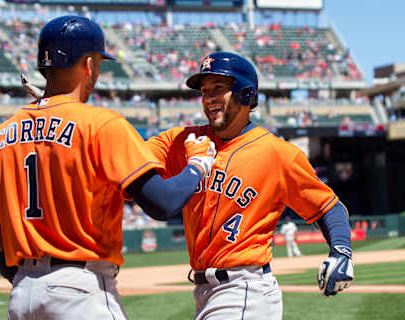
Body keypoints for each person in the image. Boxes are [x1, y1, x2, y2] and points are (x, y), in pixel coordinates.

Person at [0, 16, 216, 320]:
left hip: (23, 294)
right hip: (80, 289)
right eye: (99, 63)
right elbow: (163, 203)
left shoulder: (0, 136)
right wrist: (198, 164)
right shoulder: (101, 124)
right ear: (88, 64)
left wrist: (20, 278)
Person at [146, 52, 354, 319]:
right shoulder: (182, 142)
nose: (208, 97)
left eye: (218, 88)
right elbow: (131, 162)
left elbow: (328, 206)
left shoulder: (278, 154)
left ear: (246, 94)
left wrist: (341, 250)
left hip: (244, 290)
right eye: (204, 90)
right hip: (205, 292)